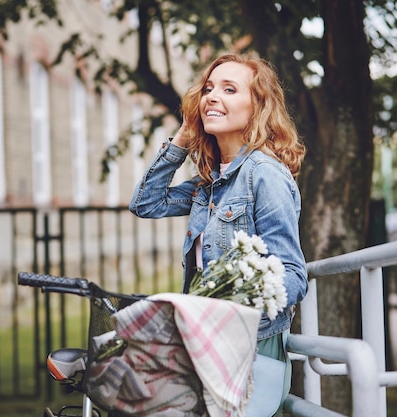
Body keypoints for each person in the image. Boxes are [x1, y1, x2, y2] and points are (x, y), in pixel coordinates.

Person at [129, 53, 308, 416]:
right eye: (208, 89)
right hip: (207, 347)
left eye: (229, 89)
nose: (212, 96)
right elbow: (146, 203)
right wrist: (182, 138)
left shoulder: (264, 175)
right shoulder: (210, 183)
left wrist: (235, 297)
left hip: (250, 351)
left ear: (257, 107)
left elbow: (293, 274)